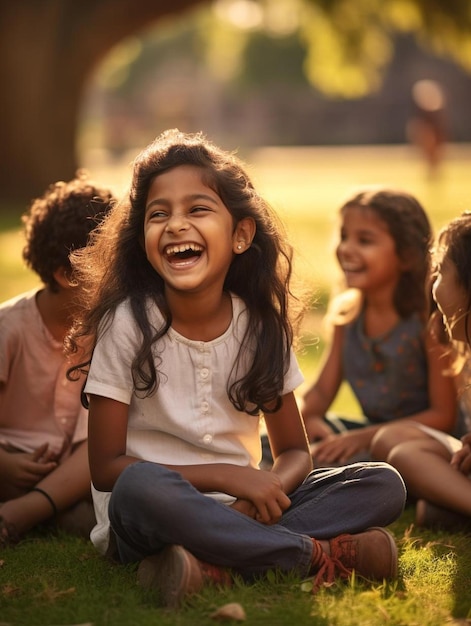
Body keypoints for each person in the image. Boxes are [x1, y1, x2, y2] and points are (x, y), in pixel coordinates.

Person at [65, 129, 406, 608]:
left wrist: (258, 490)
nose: (176, 224)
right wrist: (227, 477)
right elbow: (106, 469)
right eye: (158, 214)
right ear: (142, 238)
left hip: (248, 507)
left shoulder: (260, 328)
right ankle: (311, 555)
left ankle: (212, 561)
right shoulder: (127, 325)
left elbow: (293, 453)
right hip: (155, 511)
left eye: (197, 209)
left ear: (241, 235)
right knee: (139, 487)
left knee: (381, 483)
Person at [301, 188, 457, 467]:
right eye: (344, 236)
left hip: (424, 441)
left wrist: (360, 439)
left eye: (365, 240)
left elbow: (443, 415)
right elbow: (322, 393)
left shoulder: (426, 321)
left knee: (330, 458)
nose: (347, 248)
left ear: (407, 256)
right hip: (370, 431)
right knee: (279, 442)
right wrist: (310, 419)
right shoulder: (347, 317)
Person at [0, 172, 115, 546]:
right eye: (111, 267)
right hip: (9, 460)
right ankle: (43, 510)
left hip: (72, 470)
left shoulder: (110, 333)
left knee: (104, 453)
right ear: (67, 275)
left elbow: (100, 441)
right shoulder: (10, 329)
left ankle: (28, 512)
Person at [372, 212, 471, 531]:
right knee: (394, 443)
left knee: (404, 457)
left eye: (441, 272)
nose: (432, 283)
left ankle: (455, 506)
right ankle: (456, 506)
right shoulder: (462, 349)